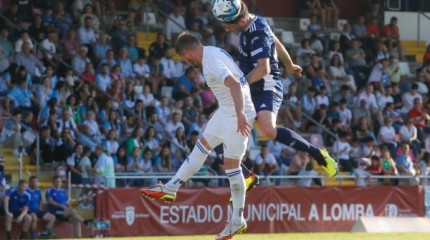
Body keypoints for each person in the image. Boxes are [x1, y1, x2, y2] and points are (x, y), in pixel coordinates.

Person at [141, 32, 255, 240]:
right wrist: (223, 107)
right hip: (228, 110)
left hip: (238, 113)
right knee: (201, 147)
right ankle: (170, 188)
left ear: (187, 51)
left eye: (183, 58)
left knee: (231, 166)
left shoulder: (210, 62)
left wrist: (238, 114)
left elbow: (235, 84)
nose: (186, 62)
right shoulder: (213, 52)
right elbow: (233, 82)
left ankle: (238, 220)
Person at [219, 1, 338, 187]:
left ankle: (317, 154)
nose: (226, 29)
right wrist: (289, 64)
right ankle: (244, 175)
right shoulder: (254, 22)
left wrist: (238, 85)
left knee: (267, 130)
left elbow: (263, 69)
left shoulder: (256, 31)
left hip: (266, 84)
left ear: (241, 20)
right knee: (217, 122)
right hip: (249, 84)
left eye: (228, 24)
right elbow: (274, 39)